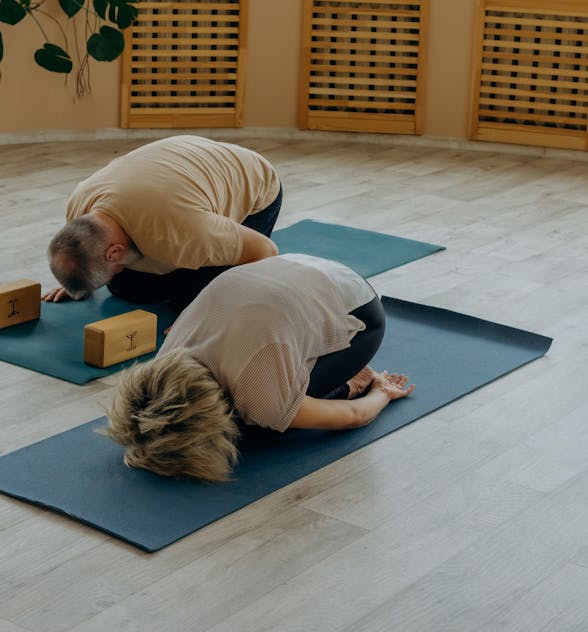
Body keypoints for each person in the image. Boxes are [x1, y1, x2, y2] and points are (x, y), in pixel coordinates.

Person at [105, 253, 414, 482]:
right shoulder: (166, 360)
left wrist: (382, 393)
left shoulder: (259, 399)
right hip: (294, 266)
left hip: (359, 305)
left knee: (256, 429)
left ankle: (350, 382)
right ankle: (310, 367)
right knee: (267, 403)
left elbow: (355, 416)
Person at [45, 134, 282, 312]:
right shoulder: (79, 204)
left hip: (254, 181)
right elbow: (77, 253)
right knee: (126, 288)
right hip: (179, 161)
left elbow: (265, 251)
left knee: (192, 297)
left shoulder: (182, 232)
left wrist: (203, 315)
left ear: (114, 251)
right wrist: (77, 279)